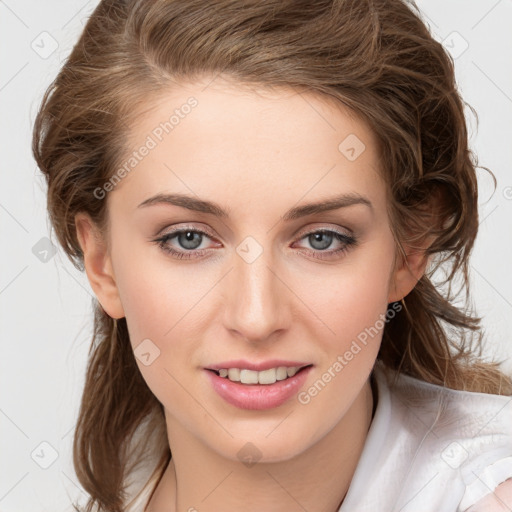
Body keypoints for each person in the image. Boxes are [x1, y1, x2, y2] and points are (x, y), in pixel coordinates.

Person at [32, 0, 512, 511]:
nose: (256, 318)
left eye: (322, 238)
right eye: (188, 238)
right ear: (101, 262)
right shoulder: (127, 477)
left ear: (407, 252)